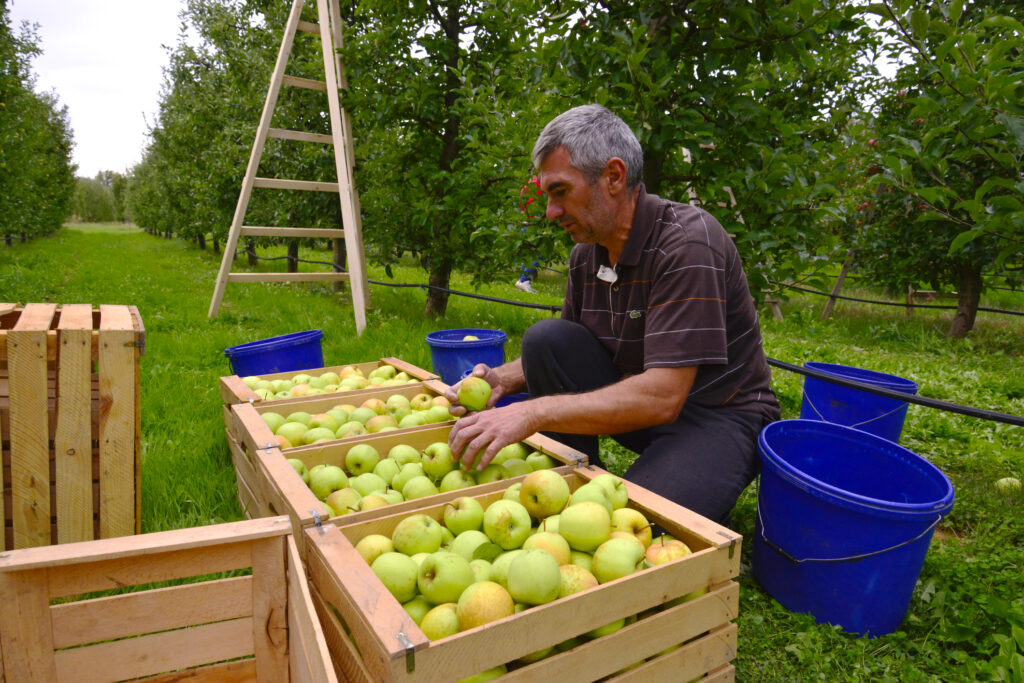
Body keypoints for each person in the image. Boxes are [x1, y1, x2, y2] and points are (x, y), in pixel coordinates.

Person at [446, 104, 780, 527]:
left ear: (614, 177)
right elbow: (571, 349)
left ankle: (693, 476)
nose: (550, 212)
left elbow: (663, 396)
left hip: (720, 416)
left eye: (560, 192)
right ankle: (571, 477)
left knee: (628, 527)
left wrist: (531, 412)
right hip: (643, 405)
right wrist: (503, 380)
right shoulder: (587, 254)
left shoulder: (689, 245)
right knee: (547, 339)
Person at [515, 177, 543, 294]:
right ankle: (524, 280)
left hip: (527, 221)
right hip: (534, 222)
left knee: (529, 253)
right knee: (540, 254)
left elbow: (522, 201)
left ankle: (523, 281)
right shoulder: (539, 185)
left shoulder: (529, 184)